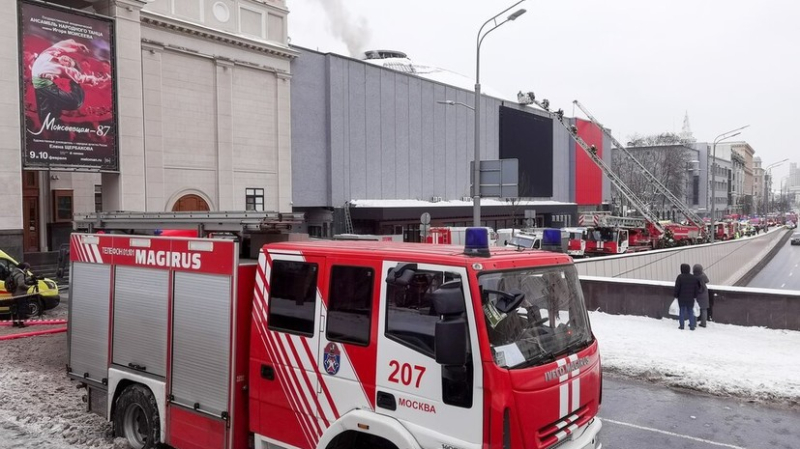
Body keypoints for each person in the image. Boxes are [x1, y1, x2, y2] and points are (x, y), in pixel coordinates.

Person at [673, 263, 701, 330]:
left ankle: (682, 326)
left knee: (682, 311)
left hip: (681, 297)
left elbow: (677, 287)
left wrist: (675, 295)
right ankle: (692, 326)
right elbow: (696, 288)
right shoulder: (693, 277)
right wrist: (695, 296)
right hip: (691, 298)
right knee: (690, 311)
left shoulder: (680, 277)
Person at [9, 263, 35, 328]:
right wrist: (28, 287)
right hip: (21, 294)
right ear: (24, 268)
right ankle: (21, 323)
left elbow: (18, 281)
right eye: (27, 269)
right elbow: (21, 284)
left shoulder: (14, 273)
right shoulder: (20, 274)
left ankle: (15, 323)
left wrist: (29, 278)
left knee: (15, 308)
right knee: (21, 308)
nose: (27, 270)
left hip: (14, 294)